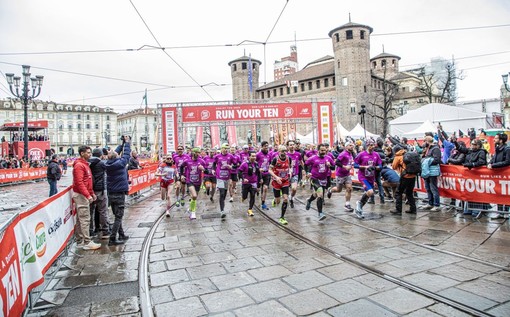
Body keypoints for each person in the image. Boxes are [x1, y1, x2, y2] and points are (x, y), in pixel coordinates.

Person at [72, 146, 101, 250]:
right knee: (84, 218)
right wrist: (87, 195)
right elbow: (79, 183)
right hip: (81, 195)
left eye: (90, 152)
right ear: (82, 153)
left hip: (83, 194)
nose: (90, 154)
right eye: (88, 153)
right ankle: (87, 242)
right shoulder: (79, 166)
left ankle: (80, 240)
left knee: (81, 219)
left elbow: (87, 182)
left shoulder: (85, 165)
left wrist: (91, 193)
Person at [104, 136, 131, 246]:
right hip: (119, 193)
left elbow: (116, 153)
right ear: (117, 157)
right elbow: (126, 154)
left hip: (111, 193)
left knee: (117, 215)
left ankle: (121, 234)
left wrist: (122, 143)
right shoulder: (120, 163)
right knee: (119, 217)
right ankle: (112, 238)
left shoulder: (107, 163)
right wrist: (127, 143)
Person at [354, 139, 383, 219]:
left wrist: (375, 167)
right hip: (363, 177)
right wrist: (365, 167)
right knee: (370, 192)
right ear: (367, 145)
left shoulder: (376, 154)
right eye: (371, 145)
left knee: (370, 194)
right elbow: (355, 165)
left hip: (371, 177)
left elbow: (380, 166)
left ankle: (359, 208)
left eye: (373, 145)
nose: (372, 147)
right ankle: (359, 204)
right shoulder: (361, 154)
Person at [305, 143, 334, 221]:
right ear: (318, 150)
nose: (323, 152)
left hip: (324, 179)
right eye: (321, 150)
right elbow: (306, 164)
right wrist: (308, 172)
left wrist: (329, 166)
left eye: (324, 150)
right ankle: (320, 213)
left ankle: (309, 200)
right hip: (315, 178)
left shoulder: (328, 158)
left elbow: (334, 167)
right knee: (320, 195)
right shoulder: (313, 158)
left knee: (316, 195)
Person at [327, 141, 355, 212]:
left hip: (347, 175)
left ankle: (347, 204)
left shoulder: (351, 154)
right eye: (350, 145)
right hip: (340, 175)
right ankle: (330, 190)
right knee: (339, 190)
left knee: (349, 188)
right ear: (346, 146)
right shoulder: (343, 154)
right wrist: (345, 167)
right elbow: (337, 162)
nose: (352, 146)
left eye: (352, 145)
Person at [89, 148, 111, 239]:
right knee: (103, 211)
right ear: (101, 155)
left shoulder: (87, 163)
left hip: (90, 190)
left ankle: (90, 231)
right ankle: (105, 230)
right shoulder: (102, 163)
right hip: (100, 189)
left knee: (90, 212)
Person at [390, 145, 418, 214]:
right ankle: (413, 209)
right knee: (409, 193)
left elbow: (393, 167)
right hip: (413, 175)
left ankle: (398, 210)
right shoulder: (408, 154)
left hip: (405, 176)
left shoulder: (398, 156)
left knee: (398, 192)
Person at [488, 133, 510, 218]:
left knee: (506, 193)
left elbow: (507, 162)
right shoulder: (497, 148)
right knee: (498, 193)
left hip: (505, 175)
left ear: (501, 140)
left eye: (496, 138)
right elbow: (494, 158)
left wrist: (494, 165)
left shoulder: (507, 149)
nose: (494, 139)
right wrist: (490, 163)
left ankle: (506, 212)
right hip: (497, 175)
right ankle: (500, 212)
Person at [269, 145, 292, 225]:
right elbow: (270, 170)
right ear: (279, 151)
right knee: (278, 201)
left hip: (285, 181)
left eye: (285, 151)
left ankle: (282, 218)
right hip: (276, 182)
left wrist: (290, 174)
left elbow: (290, 167)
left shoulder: (289, 158)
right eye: (282, 151)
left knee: (285, 199)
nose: (284, 152)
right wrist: (276, 177)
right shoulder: (275, 159)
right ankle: (275, 200)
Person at [180, 148, 206, 220]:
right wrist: (182, 175)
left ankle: (190, 208)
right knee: (194, 195)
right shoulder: (187, 161)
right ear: (193, 153)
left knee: (194, 197)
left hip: (198, 181)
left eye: (199, 153)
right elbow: (181, 167)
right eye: (197, 153)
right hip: (189, 181)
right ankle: (193, 213)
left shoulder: (201, 161)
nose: (198, 154)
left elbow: (207, 171)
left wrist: (203, 169)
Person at [212, 143, 235, 218]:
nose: (225, 150)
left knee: (224, 194)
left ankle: (222, 203)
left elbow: (237, 164)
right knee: (221, 193)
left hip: (227, 178)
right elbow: (214, 163)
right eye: (224, 148)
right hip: (219, 177)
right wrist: (213, 169)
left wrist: (231, 166)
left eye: (227, 149)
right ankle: (222, 211)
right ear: (221, 149)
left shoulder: (230, 156)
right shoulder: (217, 156)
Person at [420, 136, 442, 212]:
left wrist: (427, 162)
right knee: (428, 188)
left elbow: (437, 159)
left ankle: (436, 204)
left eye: (424, 141)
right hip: (427, 171)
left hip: (432, 171)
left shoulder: (435, 149)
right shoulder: (428, 149)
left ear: (427, 141)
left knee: (433, 188)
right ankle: (430, 203)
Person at [239, 151, 260, 216]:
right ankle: (243, 197)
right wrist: (243, 179)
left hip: (254, 183)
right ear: (249, 157)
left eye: (255, 156)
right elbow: (239, 172)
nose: (254, 157)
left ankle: (250, 209)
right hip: (246, 183)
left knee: (253, 195)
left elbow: (258, 172)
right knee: (244, 196)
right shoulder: (244, 164)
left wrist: (260, 179)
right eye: (252, 156)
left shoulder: (256, 164)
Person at [286, 140, 302, 208]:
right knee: (285, 190)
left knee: (294, 189)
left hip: (295, 174)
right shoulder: (286, 155)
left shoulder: (298, 154)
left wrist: (304, 170)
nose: (292, 146)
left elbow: (301, 162)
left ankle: (291, 197)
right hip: (286, 174)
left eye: (293, 145)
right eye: (290, 145)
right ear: (287, 146)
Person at [256, 141, 272, 210]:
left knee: (265, 188)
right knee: (258, 189)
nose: (266, 147)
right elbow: (254, 163)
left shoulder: (269, 154)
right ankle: (257, 191)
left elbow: (270, 163)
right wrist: (258, 169)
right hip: (259, 174)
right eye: (265, 146)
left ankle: (263, 203)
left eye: (267, 146)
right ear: (262, 146)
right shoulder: (258, 154)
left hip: (267, 173)